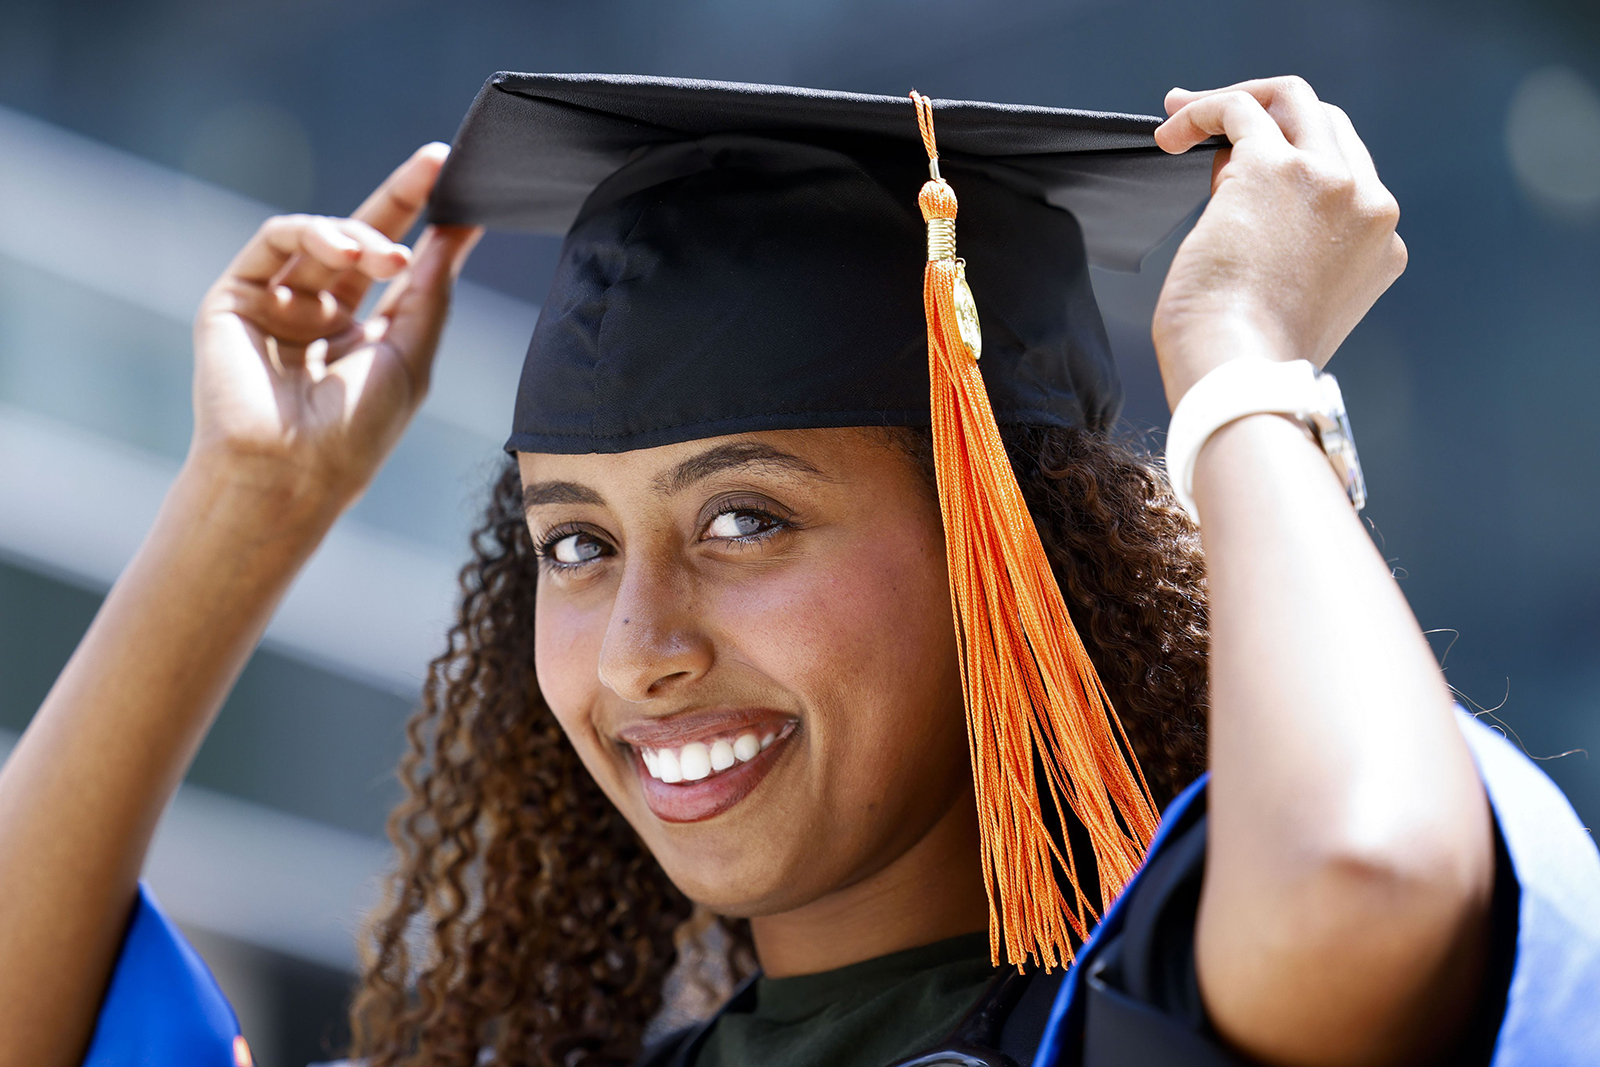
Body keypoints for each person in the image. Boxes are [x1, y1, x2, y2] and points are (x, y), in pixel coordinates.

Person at [1, 70, 1596, 1067]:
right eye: (573, 542)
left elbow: (1364, 882)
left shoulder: (1157, 1021)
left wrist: (1243, 372)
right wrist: (246, 509)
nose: (640, 647)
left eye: (746, 520)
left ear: (1005, 552)